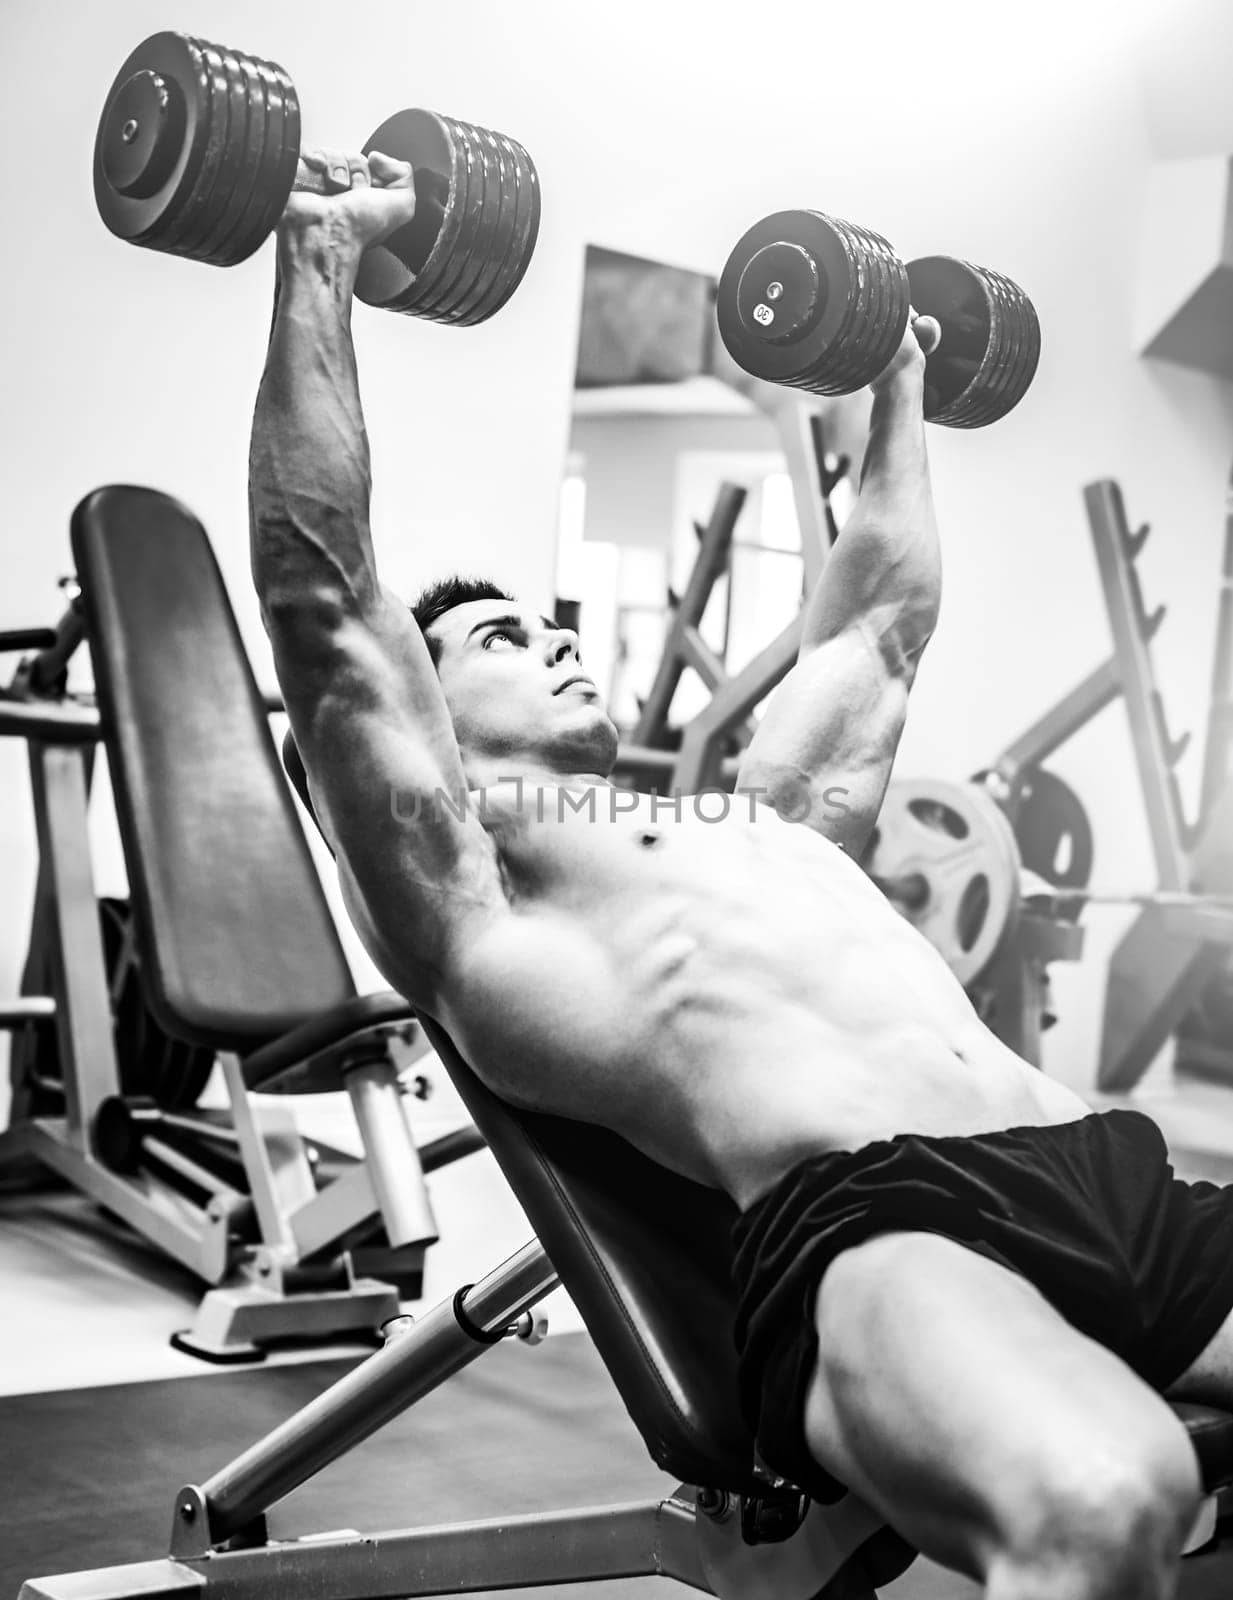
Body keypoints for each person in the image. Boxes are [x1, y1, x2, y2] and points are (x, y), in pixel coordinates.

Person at [250, 148, 1233, 1600]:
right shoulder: (471, 889)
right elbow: (324, 602)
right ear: (429, 721)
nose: (550, 637)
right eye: (496, 641)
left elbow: (877, 627)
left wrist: (898, 370)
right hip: (885, 1226)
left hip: (1111, 1173)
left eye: (544, 618)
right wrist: (320, 254)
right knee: (1105, 1500)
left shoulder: (768, 822)